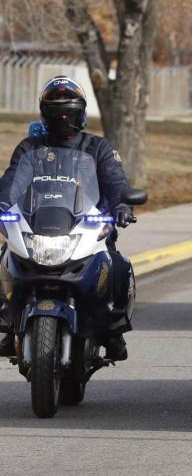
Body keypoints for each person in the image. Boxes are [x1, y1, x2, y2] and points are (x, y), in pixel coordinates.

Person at [0, 76, 136, 360]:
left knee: (118, 265)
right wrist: (2, 203)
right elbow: (13, 180)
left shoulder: (99, 148)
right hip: (35, 225)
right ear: (44, 114)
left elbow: (115, 181)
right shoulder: (30, 148)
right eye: (55, 112)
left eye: (69, 111)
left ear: (81, 113)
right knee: (5, 257)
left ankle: (113, 329)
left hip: (86, 227)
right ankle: (11, 326)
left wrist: (123, 205)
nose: (63, 118)